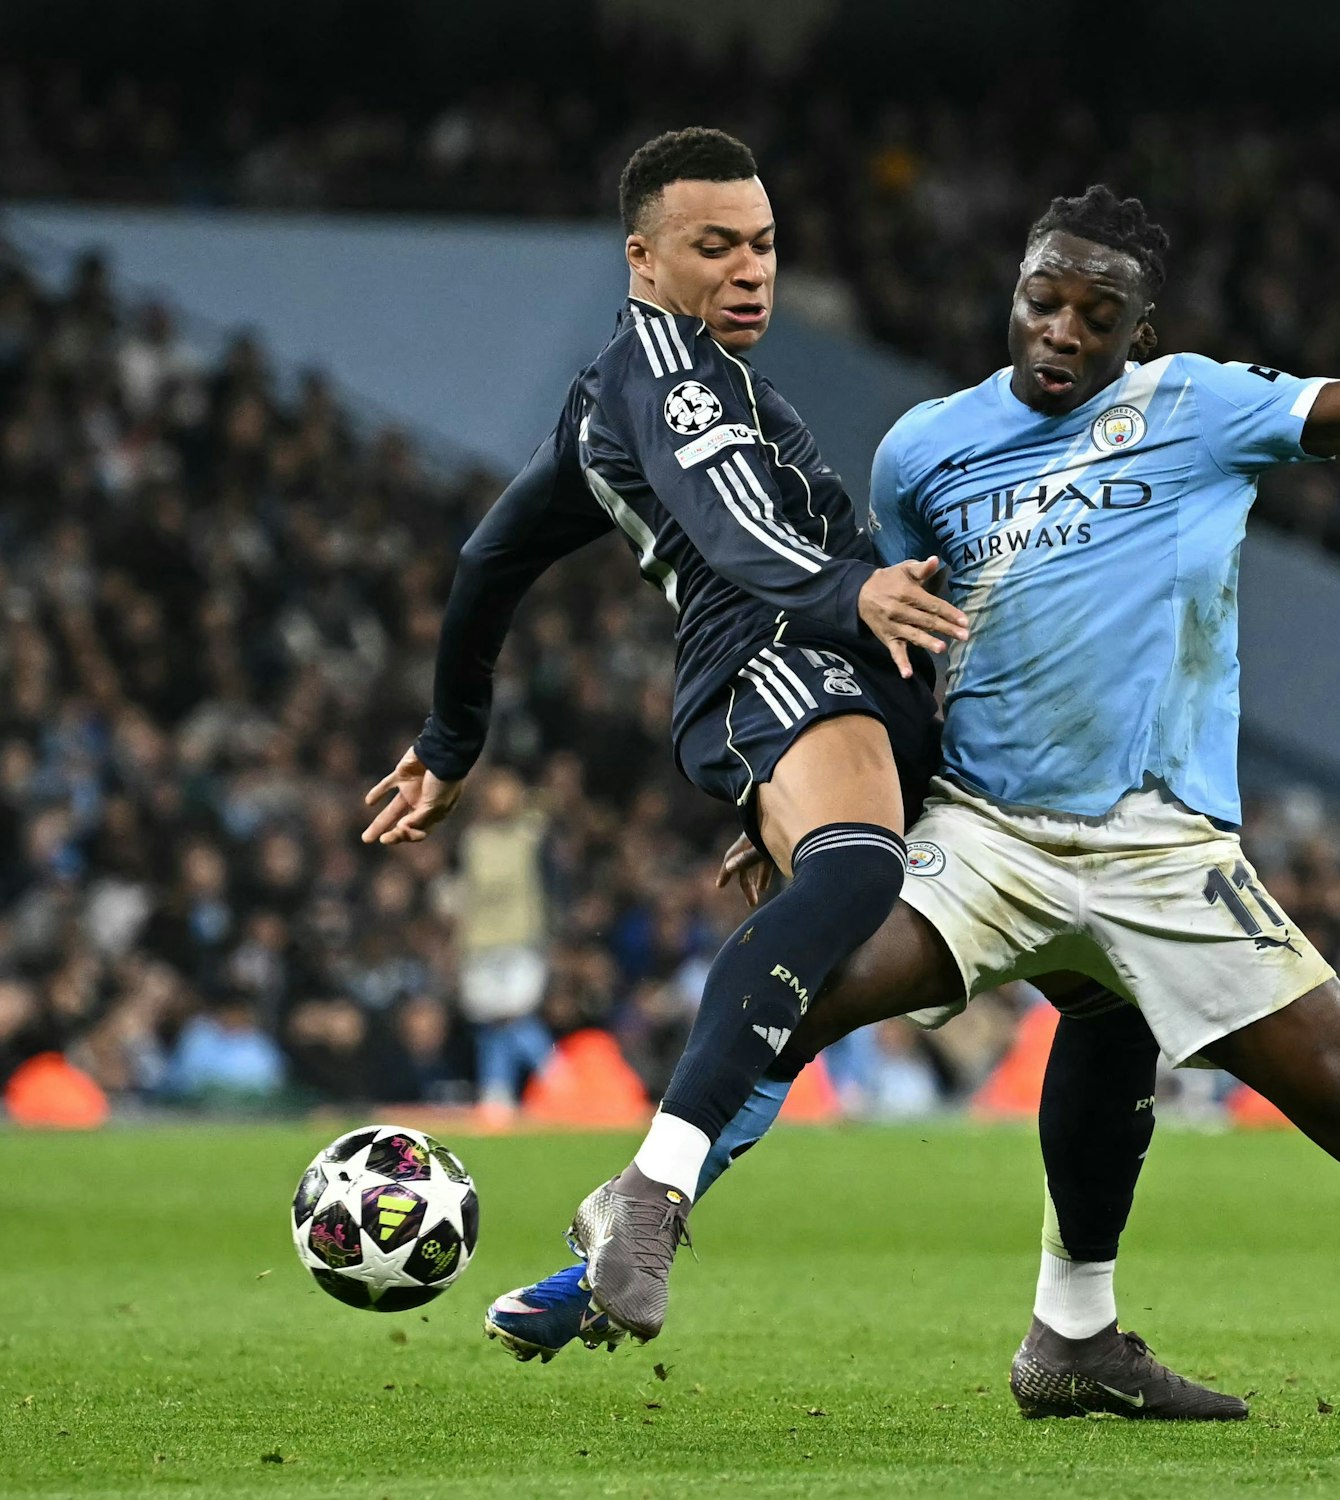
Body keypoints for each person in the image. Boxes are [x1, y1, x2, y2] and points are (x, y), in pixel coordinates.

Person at [499, 183, 1340, 1432]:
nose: (1063, 329)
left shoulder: (1200, 404)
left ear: (1140, 328)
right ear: (1013, 293)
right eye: (1043, 298)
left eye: (1097, 311)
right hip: (984, 835)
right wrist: (807, 810)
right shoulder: (921, 451)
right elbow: (903, 665)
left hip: (1162, 848)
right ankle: (619, 1234)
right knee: (797, 988)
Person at [362, 128, 966, 1339]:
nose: (749, 271)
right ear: (642, 258)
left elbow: (490, 557)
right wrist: (847, 590)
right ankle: (648, 1196)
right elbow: (737, 526)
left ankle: (597, 1262)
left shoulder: (631, 392)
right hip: (777, 650)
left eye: (764, 245)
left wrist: (449, 734)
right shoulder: (668, 372)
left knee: (822, 980)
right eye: (714, 247)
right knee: (856, 871)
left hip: (826, 664)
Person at [452, 767, 553, 1125]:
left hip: (522, 938)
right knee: (493, 1023)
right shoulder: (472, 841)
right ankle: (501, 1096)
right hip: (480, 943)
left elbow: (548, 809)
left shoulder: (530, 835)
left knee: (516, 1016)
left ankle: (552, 1080)